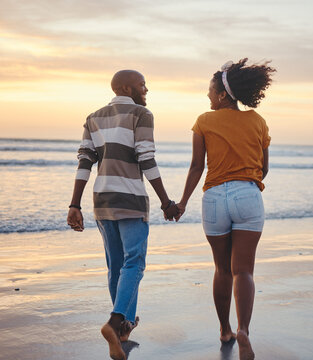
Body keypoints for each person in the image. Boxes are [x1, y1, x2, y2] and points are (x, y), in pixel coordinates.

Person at [67, 70, 179, 360]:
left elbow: (84, 162)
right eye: (143, 84)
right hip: (130, 199)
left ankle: (124, 329)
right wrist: (166, 201)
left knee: (116, 266)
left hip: (101, 199)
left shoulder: (93, 117)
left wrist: (74, 204)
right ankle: (115, 323)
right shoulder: (141, 114)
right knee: (135, 263)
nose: (147, 88)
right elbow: (146, 157)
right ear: (128, 88)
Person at [176, 58, 275, 360]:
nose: (207, 96)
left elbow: (196, 166)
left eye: (210, 90)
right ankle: (244, 329)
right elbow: (264, 168)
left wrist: (181, 203)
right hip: (247, 194)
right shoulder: (257, 120)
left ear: (222, 95)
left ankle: (225, 330)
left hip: (215, 197)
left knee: (222, 269)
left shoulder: (204, 121)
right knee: (243, 270)